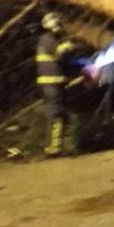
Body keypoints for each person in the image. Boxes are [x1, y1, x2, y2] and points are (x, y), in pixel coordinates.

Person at [36, 12, 75, 156]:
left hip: (53, 83)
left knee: (59, 113)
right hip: (51, 84)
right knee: (56, 113)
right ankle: (53, 148)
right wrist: (69, 44)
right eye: (59, 24)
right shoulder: (48, 39)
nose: (61, 27)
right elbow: (61, 54)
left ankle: (55, 147)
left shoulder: (48, 39)